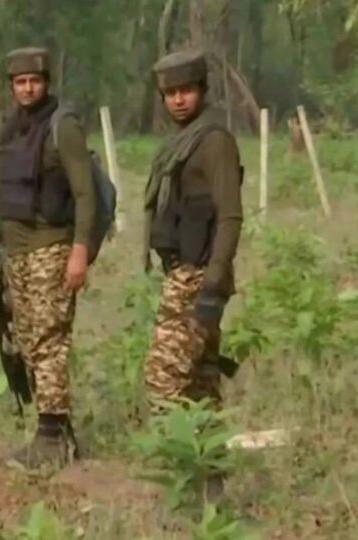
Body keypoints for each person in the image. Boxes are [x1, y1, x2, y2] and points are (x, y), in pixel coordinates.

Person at [141, 49, 244, 497]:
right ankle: (211, 485)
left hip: (199, 276)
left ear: (202, 90)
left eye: (186, 91)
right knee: (201, 387)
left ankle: (184, 479)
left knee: (163, 381)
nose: (179, 100)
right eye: (171, 94)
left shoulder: (214, 141)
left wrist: (214, 281)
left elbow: (230, 216)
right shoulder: (180, 142)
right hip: (181, 271)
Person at [0, 47, 96, 469]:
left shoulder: (62, 126)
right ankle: (59, 431)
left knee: (50, 341)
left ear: (46, 83)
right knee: (30, 341)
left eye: (34, 81)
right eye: (20, 82)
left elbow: (85, 193)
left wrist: (79, 251)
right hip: (16, 250)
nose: (28, 89)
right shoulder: (12, 126)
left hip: (52, 247)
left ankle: (49, 439)